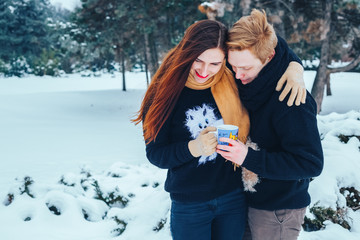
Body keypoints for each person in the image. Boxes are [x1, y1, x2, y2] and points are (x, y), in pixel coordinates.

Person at [133, 19, 305, 240]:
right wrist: (193, 148)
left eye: (215, 63)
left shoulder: (232, 77)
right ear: (186, 52)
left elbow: (269, 45)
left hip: (233, 197)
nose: (205, 71)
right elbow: (156, 154)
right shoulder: (163, 93)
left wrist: (294, 66)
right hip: (189, 204)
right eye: (198, 60)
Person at [217, 9, 324, 240]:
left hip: (279, 209)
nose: (237, 75)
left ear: (269, 58)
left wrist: (248, 157)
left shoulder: (292, 99)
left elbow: (311, 163)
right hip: (246, 200)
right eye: (233, 66)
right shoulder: (248, 75)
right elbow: (276, 43)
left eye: (245, 68)